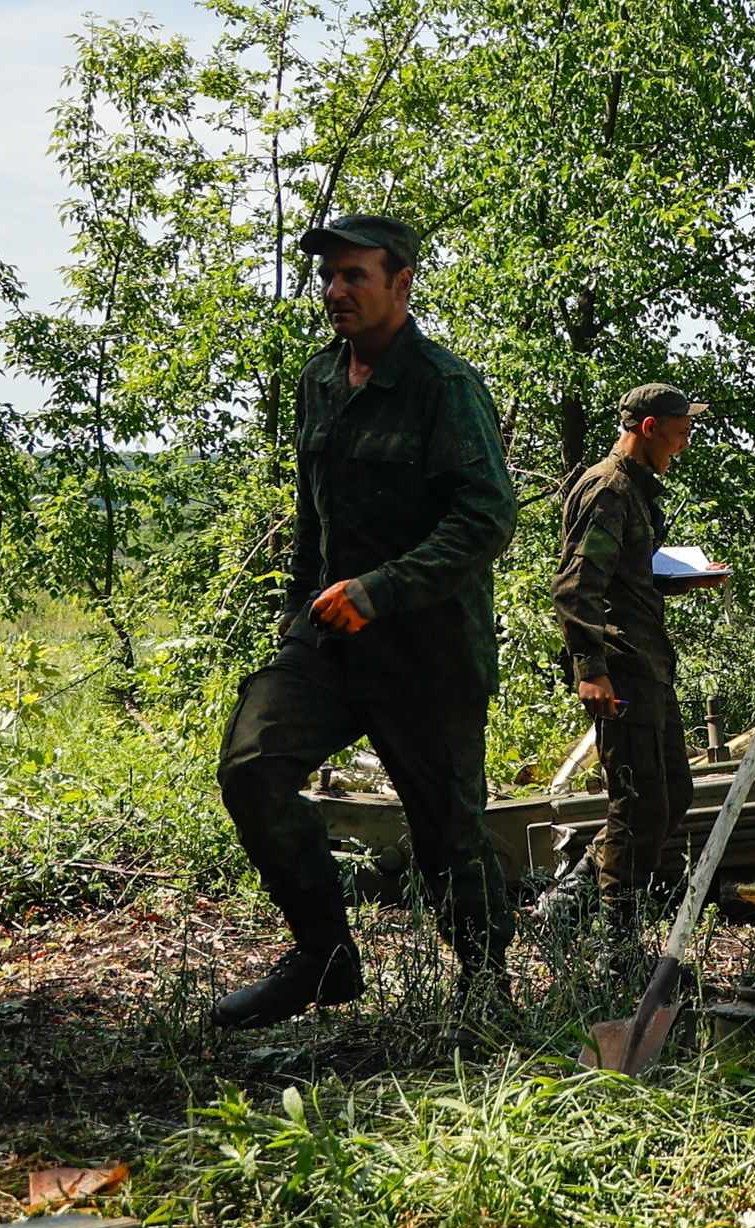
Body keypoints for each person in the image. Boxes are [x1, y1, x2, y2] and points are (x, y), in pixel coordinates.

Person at [210, 214, 521, 1027]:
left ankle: (486, 991)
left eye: (355, 276)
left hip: (427, 650)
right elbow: (314, 517)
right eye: (328, 277)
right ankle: (324, 958)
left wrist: (382, 588)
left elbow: (486, 519)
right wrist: (296, 618)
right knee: (252, 765)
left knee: (448, 833)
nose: (335, 291)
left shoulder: (444, 386)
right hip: (327, 639)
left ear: (401, 283)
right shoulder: (319, 380)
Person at [555, 382, 699, 961]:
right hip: (622, 668)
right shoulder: (609, 489)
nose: (687, 439)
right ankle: (616, 946)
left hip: (649, 665)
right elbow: (575, 586)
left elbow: (620, 573)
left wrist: (674, 578)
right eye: (681, 427)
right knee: (637, 803)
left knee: (673, 794)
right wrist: (591, 669)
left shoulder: (636, 488)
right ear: (647, 428)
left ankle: (572, 896)